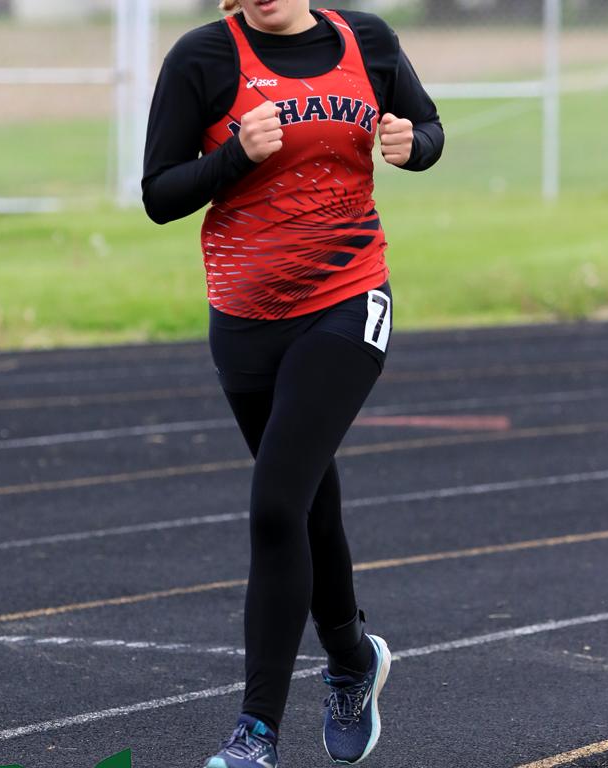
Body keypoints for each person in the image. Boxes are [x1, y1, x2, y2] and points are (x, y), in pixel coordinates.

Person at [142, 1, 443, 765]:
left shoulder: (366, 40)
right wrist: (235, 156)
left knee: (276, 504)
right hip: (245, 318)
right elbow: (159, 195)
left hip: (348, 296)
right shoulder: (202, 58)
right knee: (307, 503)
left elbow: (428, 129)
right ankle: (351, 657)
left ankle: (255, 734)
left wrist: (413, 146)